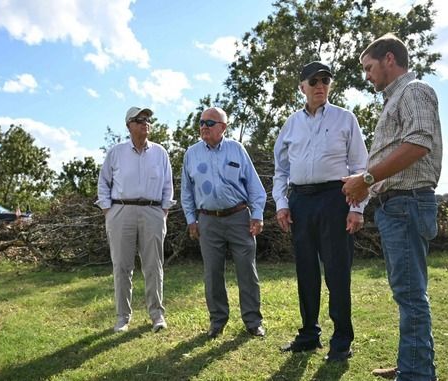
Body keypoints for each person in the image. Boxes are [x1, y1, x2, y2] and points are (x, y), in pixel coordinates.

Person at [342, 33, 442, 381]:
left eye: (369, 68)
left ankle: (415, 375)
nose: (366, 75)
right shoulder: (395, 99)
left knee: (411, 294)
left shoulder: (414, 92)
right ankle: (413, 364)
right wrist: (364, 180)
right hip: (397, 206)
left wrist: (366, 180)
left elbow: (418, 143)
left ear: (389, 59)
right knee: (408, 292)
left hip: (406, 204)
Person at [272, 61, 368, 361]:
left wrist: (358, 208)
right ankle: (309, 334)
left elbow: (360, 167)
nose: (320, 86)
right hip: (301, 200)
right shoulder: (291, 124)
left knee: (337, 272)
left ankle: (341, 341)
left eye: (325, 80)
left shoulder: (345, 118)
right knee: (306, 271)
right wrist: (283, 203)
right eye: (313, 81)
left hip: (335, 200)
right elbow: (281, 170)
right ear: (302, 87)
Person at [181, 106, 267, 339]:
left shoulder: (236, 149)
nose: (203, 127)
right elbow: (186, 192)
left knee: (246, 271)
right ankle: (217, 321)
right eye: (201, 122)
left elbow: (254, 187)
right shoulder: (191, 154)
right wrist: (191, 219)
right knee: (212, 273)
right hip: (207, 220)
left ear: (223, 127)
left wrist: (257, 215)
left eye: (209, 123)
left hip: (239, 218)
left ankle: (253, 321)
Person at [97, 106, 174, 333]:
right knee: (122, 266)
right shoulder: (116, 152)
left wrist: (164, 210)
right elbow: (103, 182)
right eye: (139, 119)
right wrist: (107, 210)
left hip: (152, 211)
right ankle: (123, 317)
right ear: (128, 125)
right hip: (121, 211)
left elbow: (168, 185)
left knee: (154, 265)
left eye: (148, 119)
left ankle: (157, 315)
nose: (145, 123)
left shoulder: (160, 152)